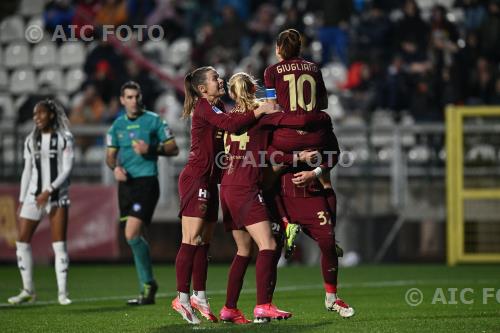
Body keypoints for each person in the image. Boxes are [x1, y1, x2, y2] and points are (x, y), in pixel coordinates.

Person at [219, 72, 330, 324]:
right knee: (268, 245)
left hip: (227, 186)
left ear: (232, 93)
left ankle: (229, 308)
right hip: (246, 187)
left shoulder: (229, 119)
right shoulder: (263, 113)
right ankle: (263, 306)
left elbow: (260, 149)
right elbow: (287, 129)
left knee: (243, 250)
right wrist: (300, 153)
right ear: (253, 90)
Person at [172, 66, 277, 325]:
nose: (220, 80)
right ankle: (182, 298)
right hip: (196, 178)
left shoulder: (216, 105)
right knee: (191, 238)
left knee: (203, 241)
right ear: (201, 88)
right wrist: (259, 109)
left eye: (219, 77)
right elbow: (231, 125)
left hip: (211, 179)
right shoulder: (205, 107)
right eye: (214, 78)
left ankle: (200, 296)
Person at [264, 28, 355, 317]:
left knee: (269, 169)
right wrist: (310, 119)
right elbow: (324, 103)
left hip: (286, 133)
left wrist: (283, 120)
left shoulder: (271, 70)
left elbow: (269, 105)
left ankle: (287, 221)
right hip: (315, 131)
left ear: (280, 48)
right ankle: (330, 283)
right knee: (324, 178)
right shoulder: (314, 68)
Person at [106, 81, 179, 306]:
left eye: (136, 96)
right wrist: (115, 168)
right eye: (129, 97)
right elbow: (110, 156)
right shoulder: (116, 126)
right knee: (135, 237)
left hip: (147, 183)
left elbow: (173, 148)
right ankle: (148, 286)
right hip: (126, 186)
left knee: (131, 234)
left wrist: (151, 149)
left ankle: (148, 283)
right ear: (122, 100)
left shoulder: (154, 121)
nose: (134, 101)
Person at [8, 99, 74, 306]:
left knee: (59, 245)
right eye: (35, 114)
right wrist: (21, 199)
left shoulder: (64, 138)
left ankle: (62, 293)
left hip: (56, 197)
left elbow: (67, 169)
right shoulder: (31, 140)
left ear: (51, 115)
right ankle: (28, 290)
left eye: (41, 113)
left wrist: (49, 190)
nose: (36, 118)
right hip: (33, 197)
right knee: (21, 242)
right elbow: (27, 170)